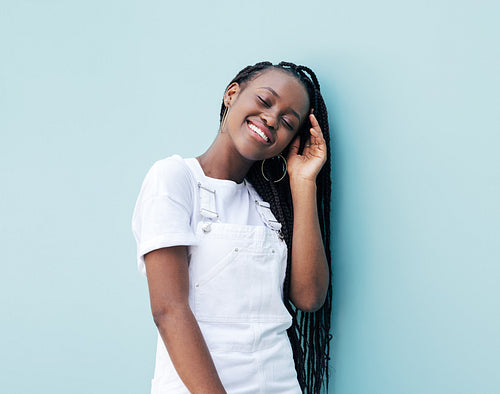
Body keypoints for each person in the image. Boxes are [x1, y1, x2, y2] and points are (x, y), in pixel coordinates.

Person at [132, 61, 332, 394]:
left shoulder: (269, 205)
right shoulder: (175, 178)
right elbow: (169, 310)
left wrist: (303, 181)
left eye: (287, 121)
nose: (271, 118)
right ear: (232, 94)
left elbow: (309, 297)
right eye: (265, 101)